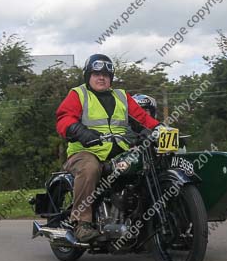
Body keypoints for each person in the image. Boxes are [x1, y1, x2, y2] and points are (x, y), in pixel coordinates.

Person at [56, 54, 160, 242]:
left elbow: (143, 119)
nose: (101, 77)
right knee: (90, 168)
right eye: (96, 73)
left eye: (105, 74)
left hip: (119, 151)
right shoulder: (79, 94)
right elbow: (64, 118)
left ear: (111, 77)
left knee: (146, 164)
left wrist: (156, 129)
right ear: (88, 75)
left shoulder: (121, 96)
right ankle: (82, 223)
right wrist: (80, 131)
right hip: (86, 151)